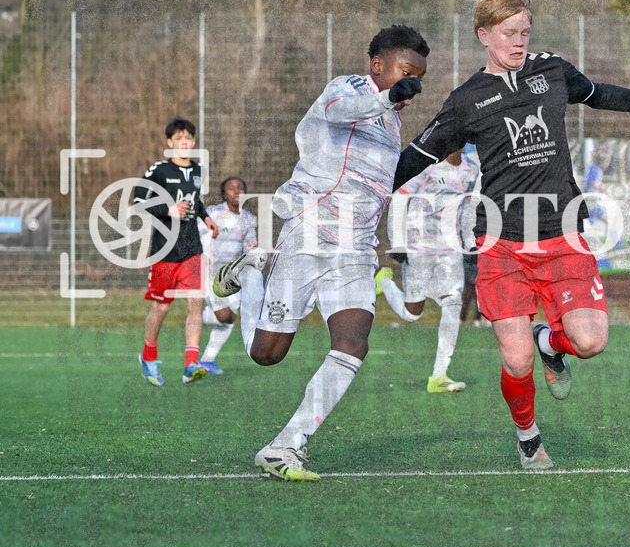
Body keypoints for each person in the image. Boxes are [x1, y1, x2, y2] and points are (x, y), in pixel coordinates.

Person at [392, 0, 630, 469]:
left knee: (590, 342)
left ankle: (550, 342)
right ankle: (528, 436)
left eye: (524, 31)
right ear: (483, 35)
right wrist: (367, 191)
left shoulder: (552, 70)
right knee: (516, 361)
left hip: (562, 232)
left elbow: (602, 94)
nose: (518, 42)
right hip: (501, 242)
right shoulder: (467, 100)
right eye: (508, 33)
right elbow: (419, 153)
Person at [212, 24, 430, 481]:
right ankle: (252, 273)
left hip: (355, 251)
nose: (411, 86)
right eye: (405, 73)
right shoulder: (347, 89)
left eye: (418, 78)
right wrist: (387, 96)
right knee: (266, 355)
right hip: (309, 235)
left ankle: (285, 445)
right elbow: (342, 110)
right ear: (378, 66)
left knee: (353, 344)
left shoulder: (393, 125)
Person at [375, 147, 479, 393]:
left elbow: (468, 209)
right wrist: (397, 242)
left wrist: (471, 241)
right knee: (412, 314)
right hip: (419, 246)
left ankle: (439, 376)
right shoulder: (427, 167)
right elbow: (400, 198)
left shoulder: (470, 170)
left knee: (453, 303)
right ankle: (385, 282)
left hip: (450, 249)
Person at [134, 117, 220, 386]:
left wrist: (205, 217)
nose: (185, 143)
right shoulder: (158, 170)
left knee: (196, 303)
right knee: (161, 308)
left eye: (189, 139)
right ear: (170, 143)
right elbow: (138, 202)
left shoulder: (198, 171)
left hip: (192, 248)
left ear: (193, 142)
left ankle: (190, 364)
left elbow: (196, 200)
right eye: (179, 139)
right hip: (164, 251)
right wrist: (167, 210)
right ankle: (148, 357)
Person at [197, 176, 257, 374]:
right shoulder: (214, 213)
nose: (236, 191)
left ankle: (207, 361)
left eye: (240, 188)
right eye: (231, 188)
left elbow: (250, 247)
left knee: (231, 318)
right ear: (224, 193)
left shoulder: (248, 219)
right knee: (224, 317)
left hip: (232, 274)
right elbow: (196, 233)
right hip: (210, 270)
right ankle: (197, 317)